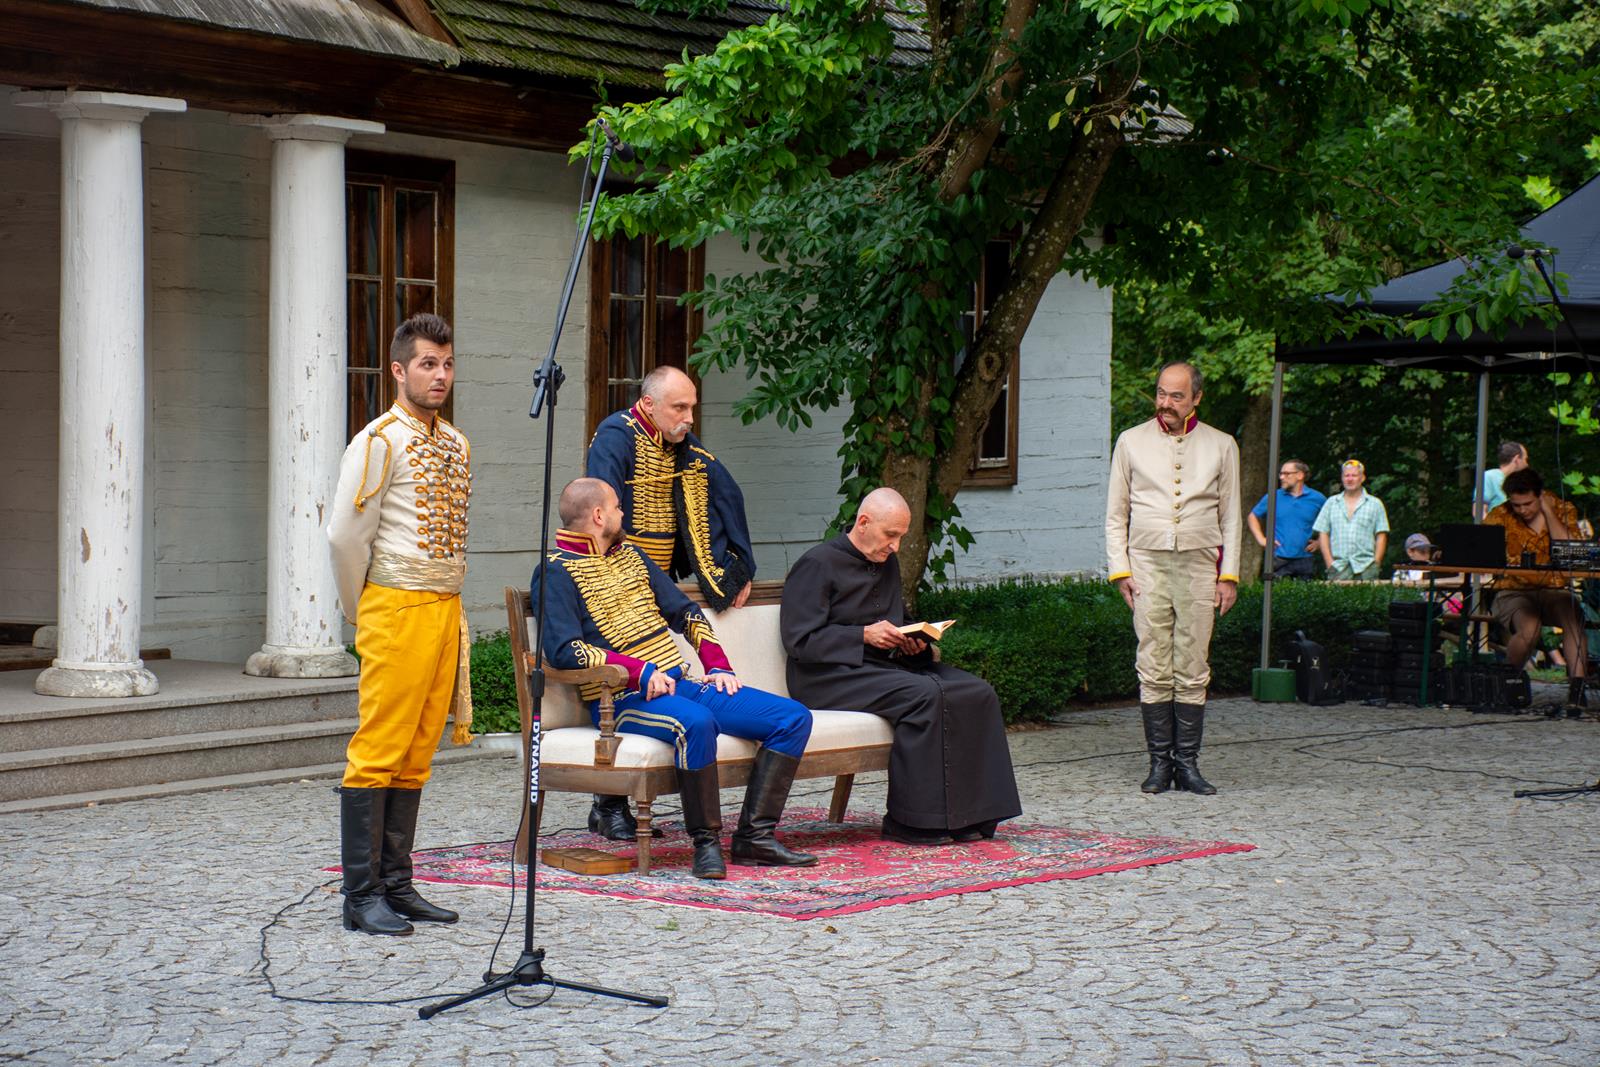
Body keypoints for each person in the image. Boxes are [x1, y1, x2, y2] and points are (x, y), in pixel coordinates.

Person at [532, 478, 816, 877]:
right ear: (598, 516)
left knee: (792, 718)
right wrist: (638, 672)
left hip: (682, 684)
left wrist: (717, 665)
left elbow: (685, 611)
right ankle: (706, 843)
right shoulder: (554, 571)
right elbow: (564, 650)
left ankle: (755, 837)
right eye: (617, 507)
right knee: (696, 722)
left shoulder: (632, 554)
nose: (623, 513)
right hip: (621, 700)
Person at [327, 312, 471, 937]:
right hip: (394, 603)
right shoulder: (378, 441)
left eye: (446, 364)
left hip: (444, 607)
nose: (439, 375)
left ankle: (396, 884)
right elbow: (344, 536)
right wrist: (361, 609)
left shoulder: (456, 442)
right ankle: (360, 895)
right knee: (379, 748)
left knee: (416, 752)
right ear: (397, 370)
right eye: (426, 364)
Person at [780, 488, 1021, 844]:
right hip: (825, 677)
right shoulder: (817, 564)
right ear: (863, 523)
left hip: (879, 669)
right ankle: (910, 821)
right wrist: (863, 635)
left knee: (977, 692)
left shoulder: (886, 561)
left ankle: (973, 816)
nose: (895, 546)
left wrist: (912, 640)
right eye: (890, 535)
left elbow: (895, 619)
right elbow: (799, 641)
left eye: (900, 537)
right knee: (925, 695)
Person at [584, 366, 757, 840]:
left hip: (658, 580)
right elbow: (603, 510)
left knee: (659, 679)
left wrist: (736, 565)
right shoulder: (616, 436)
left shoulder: (681, 443)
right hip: (615, 574)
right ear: (648, 404)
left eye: (691, 407)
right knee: (619, 681)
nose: (688, 417)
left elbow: (724, 490)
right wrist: (618, 568)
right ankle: (608, 805)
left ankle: (636, 798)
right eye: (679, 407)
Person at [1105, 361, 1240, 796]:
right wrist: (1120, 570)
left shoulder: (1222, 445)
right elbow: (1116, 514)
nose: (1166, 403)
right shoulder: (1130, 441)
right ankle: (1159, 765)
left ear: (1196, 398)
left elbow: (1231, 517)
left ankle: (1188, 765)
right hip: (1146, 563)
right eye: (1162, 393)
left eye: (1177, 396)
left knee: (1194, 663)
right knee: (1153, 662)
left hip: (1200, 563)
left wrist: (1229, 575)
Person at [1482, 467, 1588, 715]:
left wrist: (1548, 512)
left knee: (1573, 617)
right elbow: (1479, 546)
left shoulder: (1563, 509)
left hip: (1554, 589)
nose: (1522, 510)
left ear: (1540, 495)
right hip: (1514, 591)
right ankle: (1509, 680)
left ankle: (1577, 690)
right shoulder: (1500, 515)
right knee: (1530, 628)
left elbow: (1571, 550)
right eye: (1516, 505)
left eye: (1528, 504)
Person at [1247, 460, 1325, 579]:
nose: (1282, 477)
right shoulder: (1273, 496)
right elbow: (1252, 516)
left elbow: (1331, 522)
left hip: (1306, 559)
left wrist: (1320, 542)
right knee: (1274, 591)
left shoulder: (1317, 498)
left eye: (1287, 474)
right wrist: (1261, 539)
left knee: (1306, 591)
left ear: (1300, 475)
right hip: (1277, 558)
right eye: (1281, 474)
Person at [1313, 459, 1390, 581]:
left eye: (1354, 475)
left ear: (1362, 478)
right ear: (1342, 478)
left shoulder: (1375, 504)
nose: (1350, 479)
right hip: (1338, 566)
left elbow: (1381, 535)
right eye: (1346, 475)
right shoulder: (1331, 503)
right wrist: (1329, 563)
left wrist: (1376, 563)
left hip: (1367, 566)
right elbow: (1323, 533)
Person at [1476, 440, 1528, 519]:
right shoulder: (1490, 477)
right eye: (1525, 459)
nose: (1527, 464)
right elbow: (1479, 512)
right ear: (1517, 459)